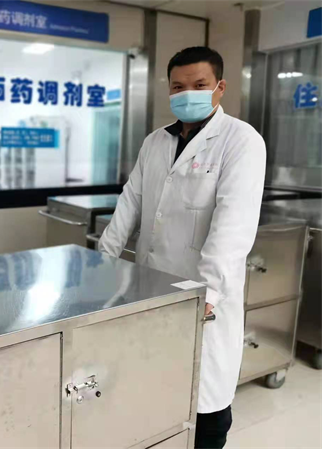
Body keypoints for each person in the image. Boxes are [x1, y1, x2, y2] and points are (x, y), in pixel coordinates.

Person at [99, 47, 266, 448]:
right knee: (155, 392)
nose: (186, 93)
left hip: (203, 299)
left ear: (220, 87)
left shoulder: (240, 140)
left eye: (199, 84)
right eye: (178, 87)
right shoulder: (155, 141)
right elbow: (131, 201)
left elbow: (233, 224)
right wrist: (102, 261)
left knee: (205, 402)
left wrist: (208, 293)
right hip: (151, 287)